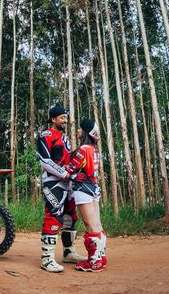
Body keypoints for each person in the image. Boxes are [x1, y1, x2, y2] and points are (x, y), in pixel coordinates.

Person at [37, 105, 88, 273]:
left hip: (67, 183)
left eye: (65, 118)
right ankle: (47, 259)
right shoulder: (46, 135)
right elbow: (45, 161)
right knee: (54, 217)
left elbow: (67, 159)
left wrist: (81, 152)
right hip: (53, 182)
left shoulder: (64, 137)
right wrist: (67, 175)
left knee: (71, 217)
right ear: (53, 120)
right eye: (62, 118)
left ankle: (69, 252)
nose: (65, 121)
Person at [65, 118, 107, 272]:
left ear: (85, 132)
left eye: (79, 128)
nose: (77, 131)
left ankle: (94, 262)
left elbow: (70, 169)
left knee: (90, 225)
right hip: (94, 188)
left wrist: (72, 175)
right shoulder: (93, 149)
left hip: (83, 190)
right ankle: (101, 257)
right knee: (97, 224)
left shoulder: (83, 150)